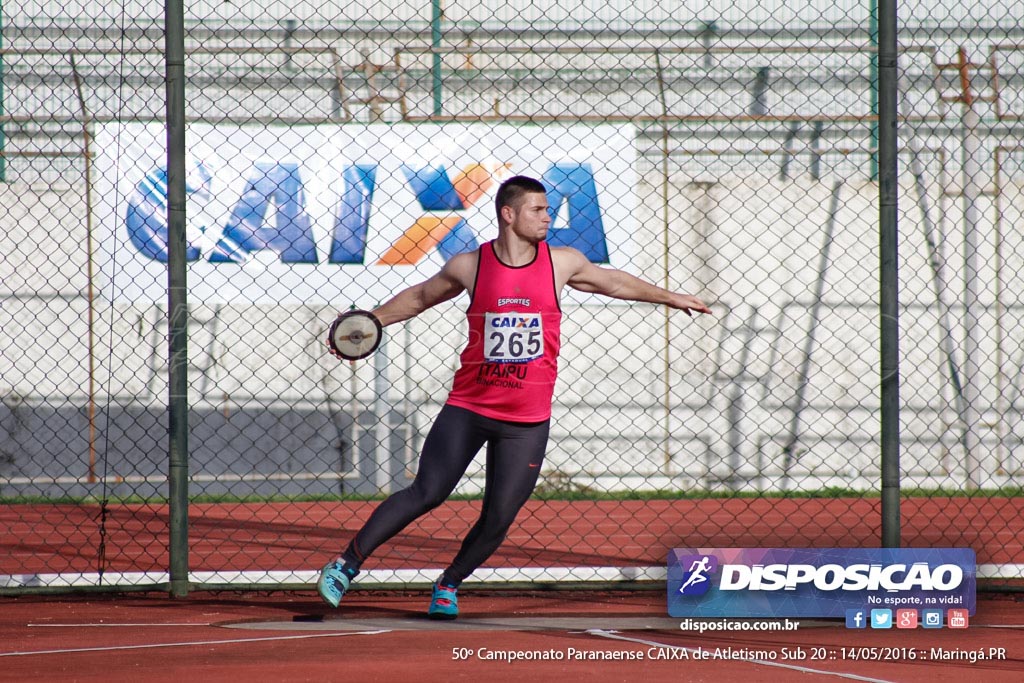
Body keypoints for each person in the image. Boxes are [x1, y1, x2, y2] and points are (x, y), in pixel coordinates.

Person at [318, 175, 711, 619]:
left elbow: (613, 283)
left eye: (547, 209)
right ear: (508, 214)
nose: (548, 217)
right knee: (427, 492)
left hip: (526, 420)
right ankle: (345, 564)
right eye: (538, 210)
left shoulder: (561, 262)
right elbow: (421, 297)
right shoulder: (471, 265)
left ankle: (449, 583)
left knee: (499, 517)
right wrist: (364, 325)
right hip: (468, 409)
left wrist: (670, 297)